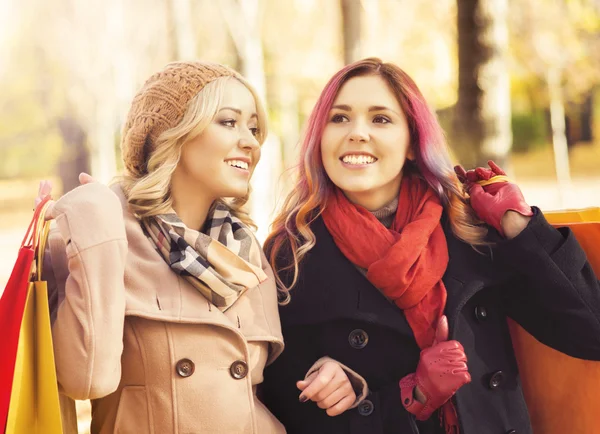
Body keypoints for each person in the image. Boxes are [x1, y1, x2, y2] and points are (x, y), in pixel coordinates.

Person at [261, 57, 600, 434]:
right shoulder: (291, 256)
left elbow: (591, 333)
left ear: (412, 142)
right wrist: (410, 396)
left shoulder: (467, 233)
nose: (356, 133)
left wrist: (521, 227)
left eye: (381, 119)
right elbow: (281, 411)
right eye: (339, 118)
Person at [36, 61, 287, 434]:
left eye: (253, 128)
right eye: (228, 122)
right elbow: (87, 380)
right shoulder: (102, 234)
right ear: (173, 133)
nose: (251, 141)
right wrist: (96, 226)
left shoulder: (246, 250)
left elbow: (272, 392)